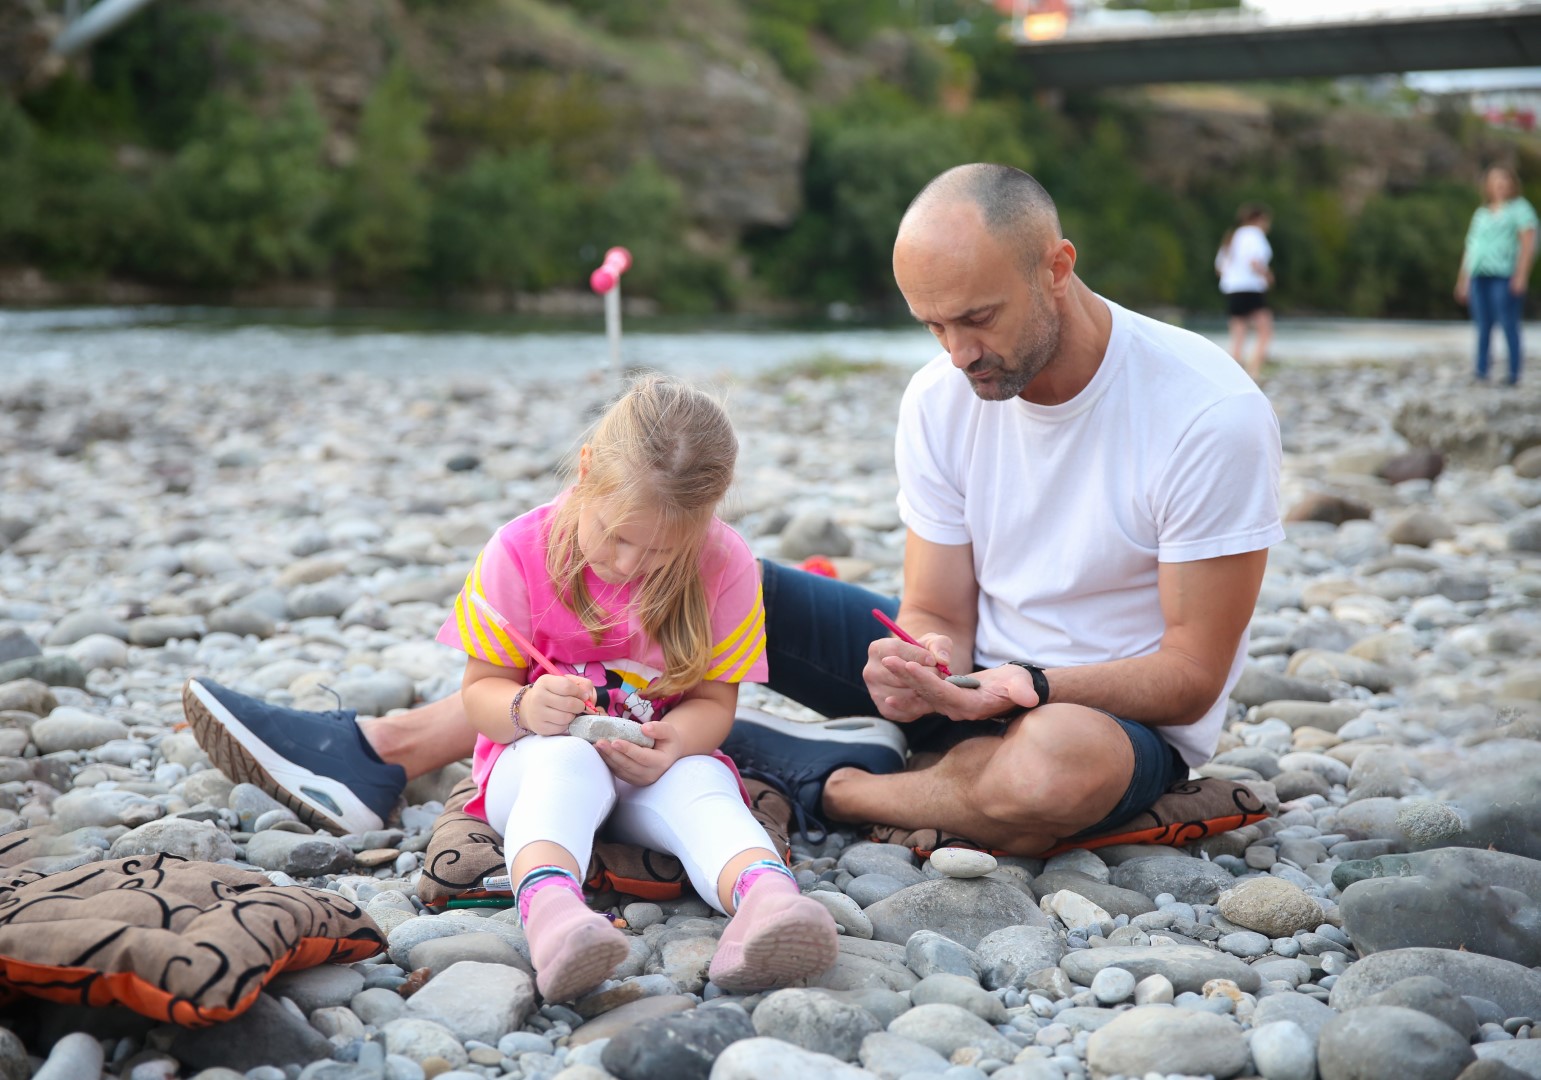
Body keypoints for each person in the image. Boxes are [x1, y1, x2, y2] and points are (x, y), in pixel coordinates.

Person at [186, 163, 1282, 860]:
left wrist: (1028, 684)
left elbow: (1190, 673)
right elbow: (939, 608)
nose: (956, 353)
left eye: (977, 319)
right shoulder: (942, 394)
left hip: (1100, 714)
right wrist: (924, 665)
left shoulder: (1203, 414)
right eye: (931, 325)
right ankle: (383, 750)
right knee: (687, 572)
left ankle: (825, 785)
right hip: (974, 681)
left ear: (1057, 267)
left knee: (1051, 770)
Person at [190, 376, 839, 1003]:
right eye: (616, 537)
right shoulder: (521, 551)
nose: (629, 566)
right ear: (586, 470)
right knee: (565, 761)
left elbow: (715, 703)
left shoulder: (722, 562)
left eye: (660, 554)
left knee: (705, 785)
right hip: (534, 763)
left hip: (652, 772)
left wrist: (677, 742)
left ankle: (769, 904)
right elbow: (480, 695)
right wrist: (524, 707)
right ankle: (556, 917)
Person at [1455, 165, 1536, 386]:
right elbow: (1471, 247)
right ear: (1488, 185)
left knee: (1508, 322)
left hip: (1504, 274)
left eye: (1504, 180)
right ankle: (1481, 371)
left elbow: (1528, 245)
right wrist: (1463, 279)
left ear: (1512, 183)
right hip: (1479, 274)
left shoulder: (1520, 209)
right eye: (1496, 180)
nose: (1500, 184)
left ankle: (1513, 373)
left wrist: (1521, 275)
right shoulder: (1481, 213)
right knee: (1483, 324)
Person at [1215, 203, 1274, 380]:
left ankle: (1234, 374)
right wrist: (1267, 276)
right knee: (1265, 330)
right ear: (1260, 219)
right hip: (1251, 288)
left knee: (1238, 333)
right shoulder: (1254, 235)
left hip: (1232, 288)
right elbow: (1254, 261)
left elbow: (1220, 267)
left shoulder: (1232, 236)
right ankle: (1253, 371)